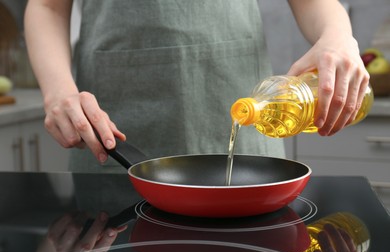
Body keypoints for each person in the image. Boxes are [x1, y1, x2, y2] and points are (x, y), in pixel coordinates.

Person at [24, 0, 369, 174]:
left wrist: (338, 36)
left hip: (241, 109)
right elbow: (47, 4)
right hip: (111, 127)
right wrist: (59, 93)